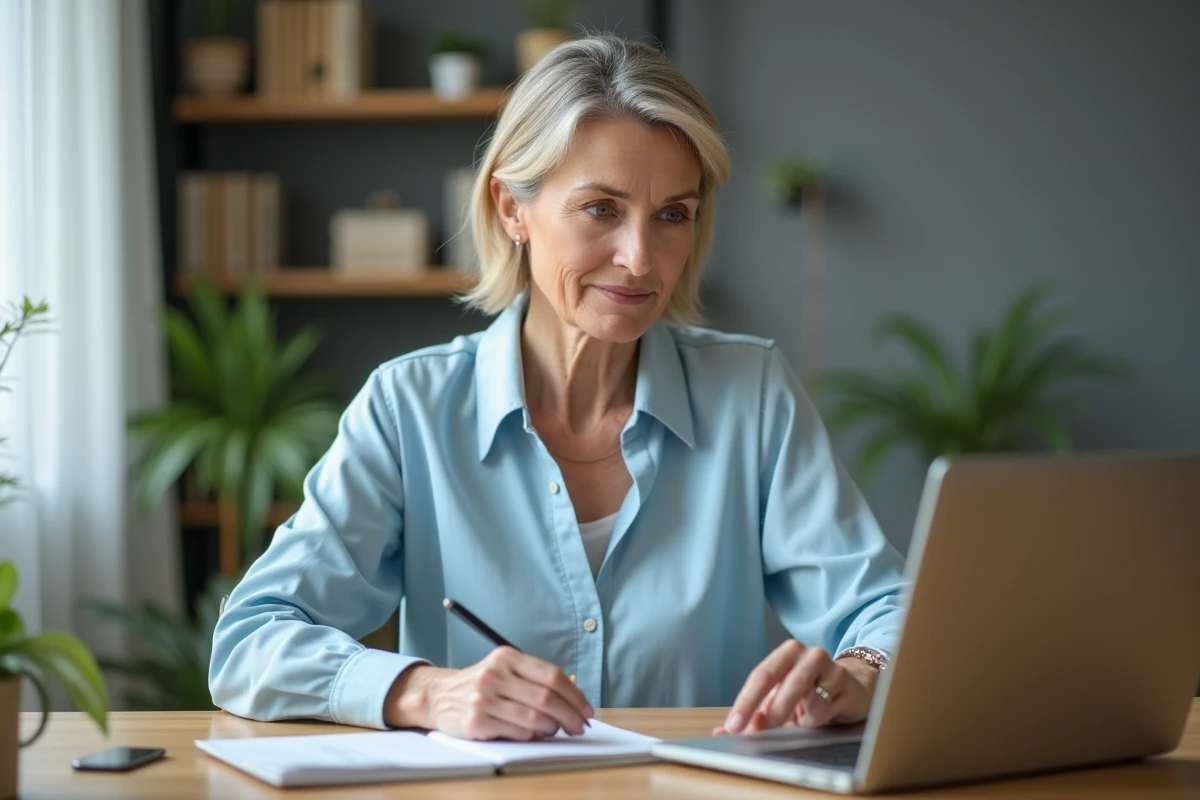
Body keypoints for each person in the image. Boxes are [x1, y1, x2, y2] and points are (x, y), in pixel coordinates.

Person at [209, 33, 906, 742]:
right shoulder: (407, 410)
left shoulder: (752, 397)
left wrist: (863, 668)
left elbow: (888, 610)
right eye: (601, 208)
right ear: (513, 209)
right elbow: (251, 642)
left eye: (673, 214)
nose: (640, 259)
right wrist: (424, 692)